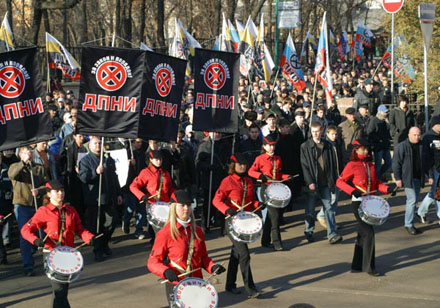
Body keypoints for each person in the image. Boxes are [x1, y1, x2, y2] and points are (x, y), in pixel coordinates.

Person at [21, 180, 96, 308]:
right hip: (51, 255)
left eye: (62, 191)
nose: (60, 194)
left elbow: (80, 229)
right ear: (49, 194)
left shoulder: (71, 210)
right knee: (60, 291)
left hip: (68, 254)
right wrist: (35, 240)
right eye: (57, 191)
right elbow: (25, 230)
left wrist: (90, 238)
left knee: (61, 292)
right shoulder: (43, 211)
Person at [147, 190, 226, 307]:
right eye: (182, 205)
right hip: (177, 284)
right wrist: (165, 271)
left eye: (188, 205)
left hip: (197, 283)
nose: (186, 209)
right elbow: (152, 262)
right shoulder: (165, 233)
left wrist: (212, 266)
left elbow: (203, 257)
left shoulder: (198, 230)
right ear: (173, 207)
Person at [337, 138, 394, 276]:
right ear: (356, 150)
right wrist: (352, 190)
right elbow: (339, 181)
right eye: (363, 148)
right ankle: (369, 267)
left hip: (370, 202)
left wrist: (387, 189)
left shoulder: (371, 165)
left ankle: (357, 265)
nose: (366, 151)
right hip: (358, 203)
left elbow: (376, 183)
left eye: (367, 148)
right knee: (369, 233)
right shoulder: (351, 165)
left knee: (363, 234)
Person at [213, 154, 262, 298]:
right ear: (233, 165)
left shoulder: (248, 181)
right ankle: (250, 289)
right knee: (244, 254)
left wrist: (258, 204)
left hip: (244, 222)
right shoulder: (227, 181)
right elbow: (216, 200)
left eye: (244, 164)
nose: (242, 166)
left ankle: (230, 285)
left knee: (236, 254)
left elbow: (252, 201)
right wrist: (227, 210)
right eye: (239, 164)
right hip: (231, 222)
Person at [78, 136, 122, 262]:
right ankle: (98, 250)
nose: (98, 145)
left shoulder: (108, 160)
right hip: (94, 200)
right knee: (96, 226)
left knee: (111, 222)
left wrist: (118, 194)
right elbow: (83, 178)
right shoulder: (85, 160)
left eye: (99, 143)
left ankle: (104, 243)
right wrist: (95, 173)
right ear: (90, 146)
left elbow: (115, 178)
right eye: (95, 143)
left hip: (109, 198)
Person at [8, 146, 49, 276]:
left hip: (37, 205)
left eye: (30, 152)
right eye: (25, 152)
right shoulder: (15, 166)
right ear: (20, 154)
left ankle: (47, 263)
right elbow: (12, 175)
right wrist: (23, 163)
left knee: (42, 234)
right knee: (25, 235)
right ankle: (28, 266)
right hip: (22, 205)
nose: (29, 154)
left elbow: (47, 185)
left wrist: (40, 191)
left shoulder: (38, 168)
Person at [248, 133, 292, 251]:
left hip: (276, 188)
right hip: (265, 189)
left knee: (270, 216)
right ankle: (277, 242)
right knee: (275, 216)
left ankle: (265, 241)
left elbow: (279, 174)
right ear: (264, 146)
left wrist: (286, 176)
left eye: (273, 145)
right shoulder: (260, 158)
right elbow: (250, 171)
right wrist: (260, 175)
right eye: (269, 145)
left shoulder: (278, 159)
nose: (271, 148)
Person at [300, 122, 342, 244]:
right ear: (310, 132)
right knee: (310, 209)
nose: (316, 134)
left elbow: (333, 164)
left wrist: (334, 181)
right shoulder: (305, 146)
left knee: (329, 208)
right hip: (312, 182)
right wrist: (309, 182)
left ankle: (332, 234)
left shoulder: (328, 145)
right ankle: (309, 230)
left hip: (326, 182)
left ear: (322, 130)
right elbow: (305, 166)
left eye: (318, 131)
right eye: (313, 131)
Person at [129, 150, 175, 237]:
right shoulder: (145, 172)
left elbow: (170, 188)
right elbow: (133, 186)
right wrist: (142, 196)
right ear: (151, 159)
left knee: (166, 229)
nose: (159, 161)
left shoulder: (166, 173)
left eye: (160, 159)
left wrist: (175, 197)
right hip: (152, 204)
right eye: (156, 159)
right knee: (159, 230)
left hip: (165, 204)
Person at [392, 127, 424, 235]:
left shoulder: (422, 145)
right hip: (407, 178)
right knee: (412, 200)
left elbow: (426, 161)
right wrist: (398, 178)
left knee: (414, 200)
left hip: (418, 177)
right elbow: (396, 164)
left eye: (418, 135)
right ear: (409, 135)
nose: (417, 137)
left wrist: (429, 176)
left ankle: (410, 220)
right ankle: (408, 224)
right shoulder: (402, 147)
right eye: (414, 135)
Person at [366, 104, 392, 180]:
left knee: (388, 162)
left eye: (386, 112)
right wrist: (378, 140)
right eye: (384, 112)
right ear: (380, 112)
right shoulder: (374, 120)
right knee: (378, 165)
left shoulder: (386, 121)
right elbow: (369, 132)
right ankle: (377, 179)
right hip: (378, 146)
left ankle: (379, 175)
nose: (386, 113)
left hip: (385, 145)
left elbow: (387, 132)